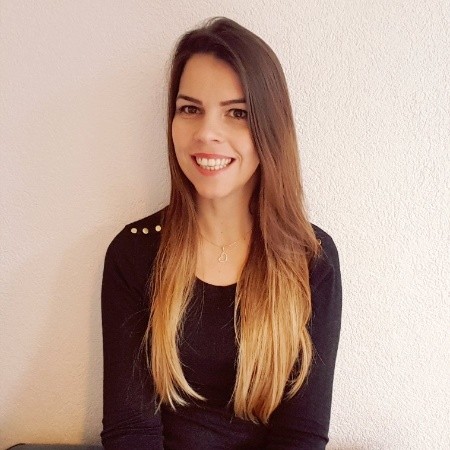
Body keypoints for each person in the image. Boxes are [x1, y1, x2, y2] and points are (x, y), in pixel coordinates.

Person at [101, 17, 342, 450]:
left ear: (270, 127)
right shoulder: (133, 253)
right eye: (190, 109)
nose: (206, 134)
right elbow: (130, 430)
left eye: (237, 113)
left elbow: (301, 435)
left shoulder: (312, 258)